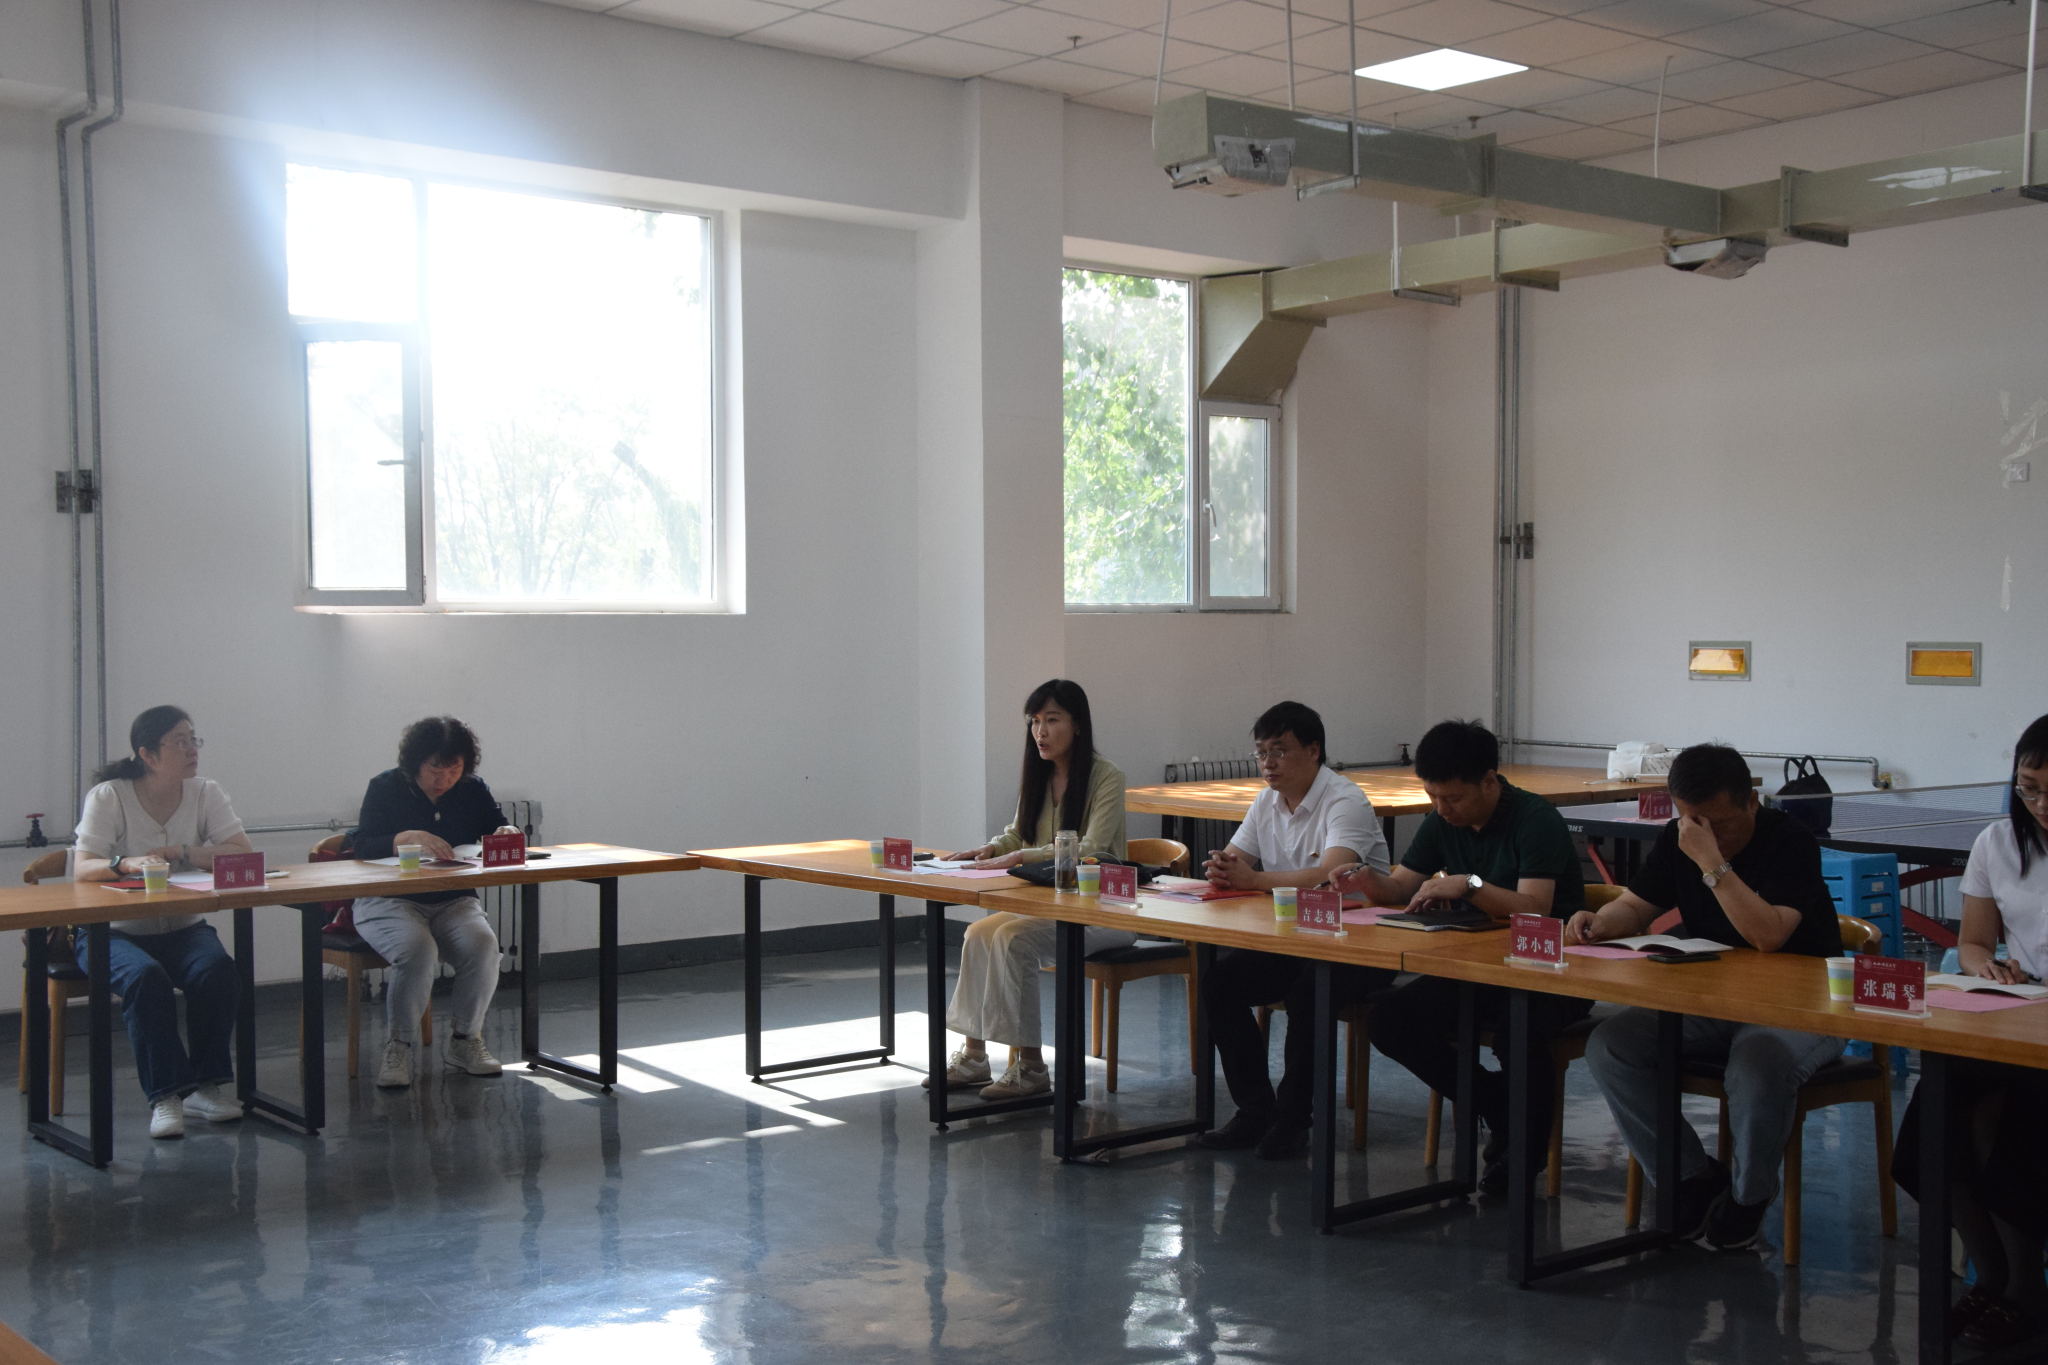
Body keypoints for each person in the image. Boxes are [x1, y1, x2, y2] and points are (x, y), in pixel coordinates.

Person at [1569, 743, 1843, 1250]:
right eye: (1693, 821)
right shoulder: (1681, 837)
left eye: (1719, 824)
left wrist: (1711, 863)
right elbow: (1637, 906)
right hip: (1713, 1001)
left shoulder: (1791, 842)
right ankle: (1691, 1177)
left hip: (1802, 1008)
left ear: (1751, 802)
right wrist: (1601, 922)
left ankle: (1749, 1196)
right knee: (1610, 1047)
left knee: (1756, 1066)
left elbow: (1767, 936)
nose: (1705, 834)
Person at [1331, 719, 1588, 1193]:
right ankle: (1500, 1106)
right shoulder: (1441, 821)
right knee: (1391, 1021)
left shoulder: (1536, 819)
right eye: (1432, 796)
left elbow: (1535, 908)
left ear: (1489, 781)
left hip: (1554, 968)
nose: (1441, 808)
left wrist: (1468, 885)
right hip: (1478, 964)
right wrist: (1367, 881)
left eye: (1452, 798)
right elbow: (1400, 889)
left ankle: (1522, 1155)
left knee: (1519, 1031)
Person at [1893, 714, 2048, 1348]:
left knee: (2015, 1117)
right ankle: (1993, 1275)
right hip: (2019, 1016)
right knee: (1938, 1106)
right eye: (2029, 789)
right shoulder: (1999, 842)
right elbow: (1976, 942)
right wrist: (1987, 966)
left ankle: (2026, 1293)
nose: (2040, 804)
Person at [1193, 701, 1388, 1159]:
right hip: (1295, 939)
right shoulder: (1267, 800)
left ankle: (1293, 1120)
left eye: (1279, 751)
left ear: (1314, 750)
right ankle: (1254, 1111)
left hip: (1361, 944)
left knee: (1308, 994)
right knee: (1219, 982)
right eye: (1261, 753)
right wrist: (1222, 869)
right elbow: (1238, 860)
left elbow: (1331, 876)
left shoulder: (1344, 800)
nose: (1268, 763)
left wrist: (1254, 879)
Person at [933, 679, 1128, 1102]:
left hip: (1106, 911)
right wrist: (992, 848)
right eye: (1034, 721)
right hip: (1051, 906)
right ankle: (974, 1055)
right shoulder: (1038, 774)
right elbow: (1016, 834)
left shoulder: (1107, 777)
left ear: (1078, 724)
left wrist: (1022, 856)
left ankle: (1032, 1066)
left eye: (1052, 720)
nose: (1040, 731)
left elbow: (1091, 848)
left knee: (1013, 938)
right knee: (976, 933)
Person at [73, 706, 253, 1139]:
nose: (192, 750)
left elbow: (241, 852)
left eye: (194, 739)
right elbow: (82, 867)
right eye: (180, 742)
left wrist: (185, 853)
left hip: (182, 927)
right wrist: (125, 863)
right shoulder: (109, 796)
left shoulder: (205, 791)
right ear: (148, 754)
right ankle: (167, 1095)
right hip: (111, 933)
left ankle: (206, 1088)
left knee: (218, 972)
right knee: (145, 978)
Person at [350, 716, 524, 1090]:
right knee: (418, 949)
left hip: (452, 898)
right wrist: (404, 837)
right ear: (415, 762)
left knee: (483, 947)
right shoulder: (384, 787)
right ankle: (399, 1047)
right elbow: (362, 846)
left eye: (454, 770)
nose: (443, 779)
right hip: (388, 900)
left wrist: (506, 832)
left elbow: (496, 828)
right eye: (435, 769)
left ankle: (465, 1040)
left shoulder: (473, 789)